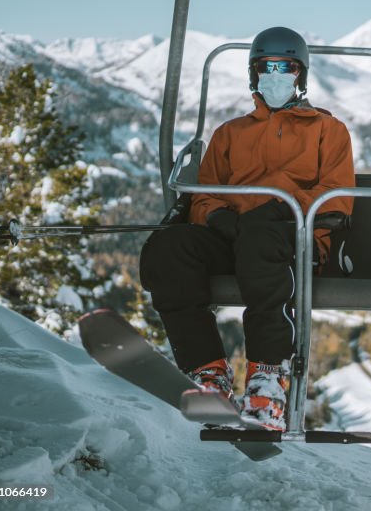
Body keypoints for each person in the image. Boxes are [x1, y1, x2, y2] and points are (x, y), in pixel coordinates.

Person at [139, 26, 355, 431]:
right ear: (253, 75)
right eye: (266, 68)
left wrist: (279, 211)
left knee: (262, 235)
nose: (275, 76)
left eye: (285, 67)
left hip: (296, 240)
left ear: (301, 75)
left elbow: (336, 197)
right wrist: (220, 217)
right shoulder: (229, 134)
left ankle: (268, 378)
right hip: (234, 237)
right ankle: (209, 375)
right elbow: (203, 195)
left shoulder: (328, 131)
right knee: (169, 249)